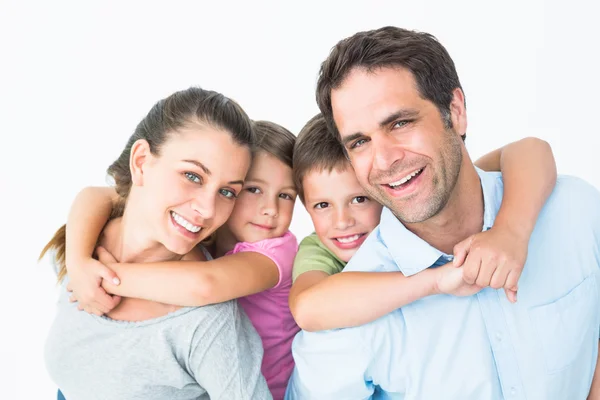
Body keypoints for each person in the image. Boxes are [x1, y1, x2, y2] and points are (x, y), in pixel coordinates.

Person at [286, 26, 600, 399]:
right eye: (360, 142)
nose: (385, 160)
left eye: (400, 123)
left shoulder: (574, 210)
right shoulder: (346, 322)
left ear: (456, 111)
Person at [41, 87, 272, 399]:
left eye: (227, 192)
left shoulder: (207, 322)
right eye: (193, 176)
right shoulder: (81, 246)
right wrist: (80, 263)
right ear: (140, 162)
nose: (207, 209)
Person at [288, 113, 557, 332]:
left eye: (359, 199)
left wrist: (509, 231)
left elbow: (529, 149)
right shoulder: (317, 250)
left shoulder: (415, 217)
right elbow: (306, 309)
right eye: (322, 205)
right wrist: (437, 281)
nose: (343, 221)